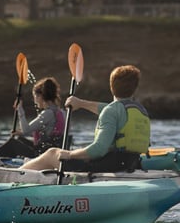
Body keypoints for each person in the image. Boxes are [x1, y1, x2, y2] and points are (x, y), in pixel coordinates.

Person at [19, 64, 150, 173]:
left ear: (111, 87)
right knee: (74, 152)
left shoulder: (111, 111)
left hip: (107, 167)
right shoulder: (139, 110)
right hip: (131, 163)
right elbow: (108, 109)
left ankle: (16, 174)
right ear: (135, 88)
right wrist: (80, 103)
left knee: (52, 153)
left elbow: (99, 149)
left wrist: (70, 155)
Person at [0, 76, 70, 158]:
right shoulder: (61, 112)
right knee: (20, 139)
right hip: (52, 152)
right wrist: (22, 133)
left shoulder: (48, 113)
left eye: (35, 97)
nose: (35, 101)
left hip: (43, 155)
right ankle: (3, 161)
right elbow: (48, 134)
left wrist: (20, 109)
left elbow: (26, 130)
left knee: (13, 143)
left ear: (40, 96)